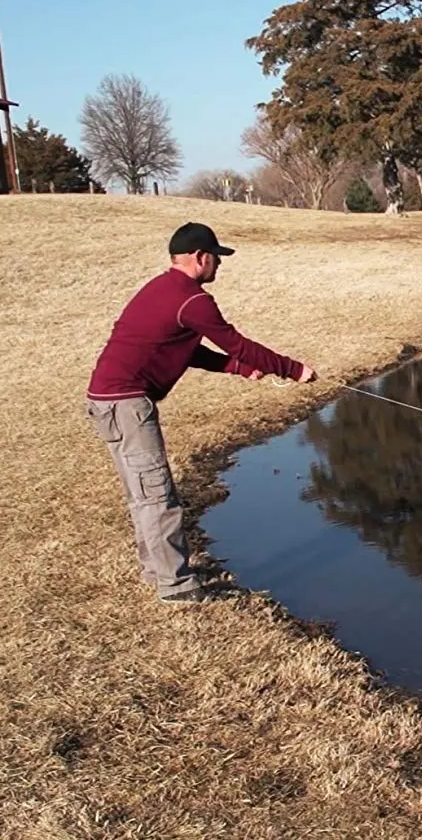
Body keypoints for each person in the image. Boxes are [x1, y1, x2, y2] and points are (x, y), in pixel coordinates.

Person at [83, 222, 315, 603]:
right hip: (126, 405)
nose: (219, 266)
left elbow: (188, 350)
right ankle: (175, 587)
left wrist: (238, 369)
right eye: (216, 258)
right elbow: (236, 343)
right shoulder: (193, 300)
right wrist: (293, 369)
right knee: (158, 496)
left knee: (142, 494)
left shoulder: (161, 289)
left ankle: (156, 572)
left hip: (106, 402)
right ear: (200, 258)